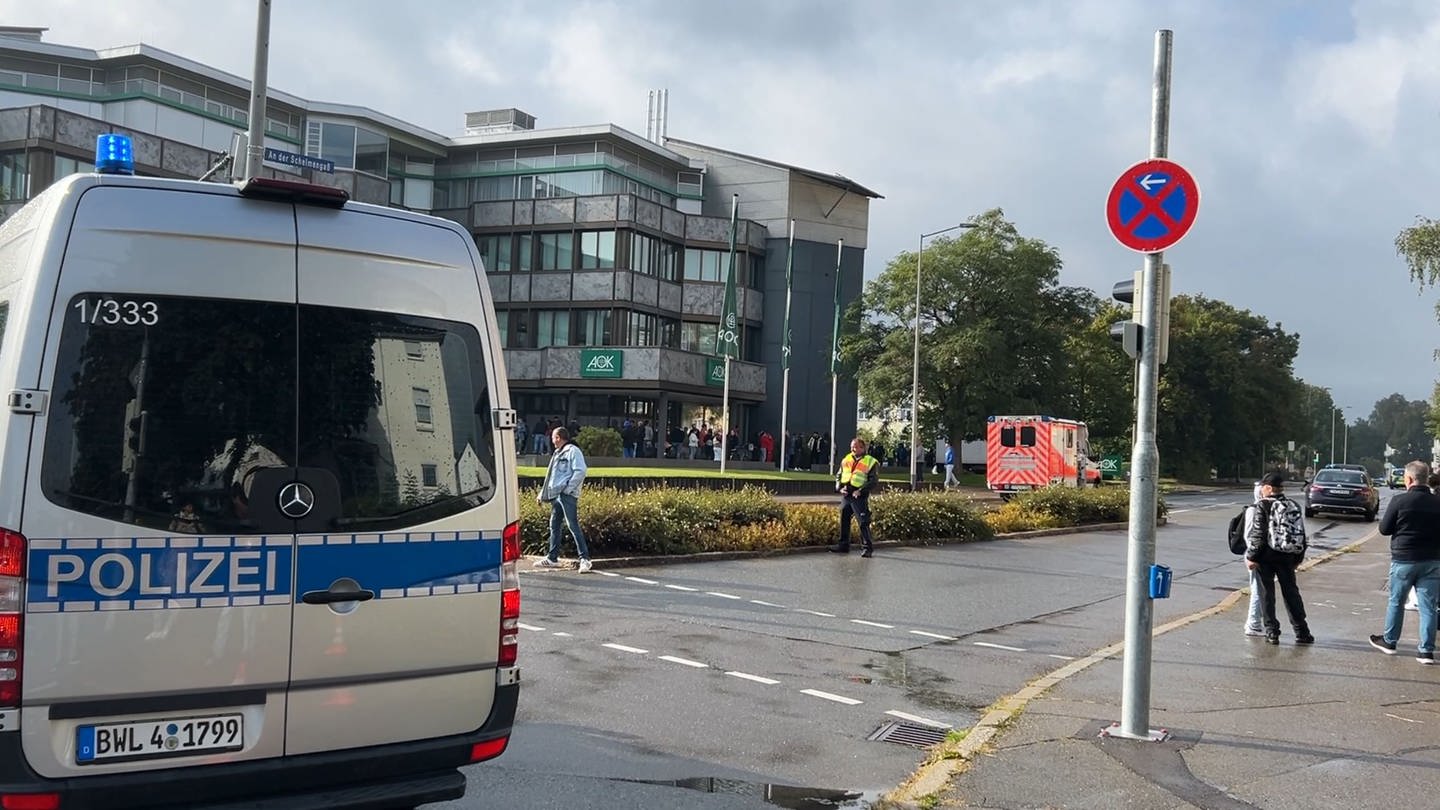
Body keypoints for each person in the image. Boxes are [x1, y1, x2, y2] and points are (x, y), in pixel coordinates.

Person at [1370, 460, 1440, 663]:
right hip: (1433, 560)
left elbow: (1384, 529)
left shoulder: (1399, 501)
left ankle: (1390, 642)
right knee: (1428, 606)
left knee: (1396, 601)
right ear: (1426, 479)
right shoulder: (1438, 503)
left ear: (1408, 479)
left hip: (1404, 559)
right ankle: (1426, 651)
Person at [1244, 471, 1313, 645]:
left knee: (1267, 594)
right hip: (1287, 557)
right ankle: (1302, 631)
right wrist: (1298, 557)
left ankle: (1272, 632)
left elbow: (1258, 534)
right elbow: (1301, 534)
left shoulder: (1262, 506)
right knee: (1291, 592)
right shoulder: (1293, 505)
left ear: (1268, 488)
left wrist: (1251, 557)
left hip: (1266, 557)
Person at [534, 426, 593, 573]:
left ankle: (585, 559)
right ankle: (552, 558)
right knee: (554, 525)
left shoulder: (573, 451)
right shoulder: (558, 452)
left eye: (553, 437)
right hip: (557, 494)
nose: (552, 440)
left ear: (558, 438)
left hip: (566, 495)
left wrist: (568, 489)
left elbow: (581, 471)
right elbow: (551, 477)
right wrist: (542, 493)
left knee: (573, 526)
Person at [830, 437, 880, 558]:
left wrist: (861, 490)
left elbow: (873, 481)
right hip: (847, 493)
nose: (853, 449)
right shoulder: (846, 459)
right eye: (852, 446)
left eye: (856, 447)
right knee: (844, 519)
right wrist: (839, 487)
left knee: (863, 522)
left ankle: (867, 548)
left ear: (863, 448)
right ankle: (843, 545)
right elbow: (839, 475)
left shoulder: (871, 461)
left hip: (859, 495)